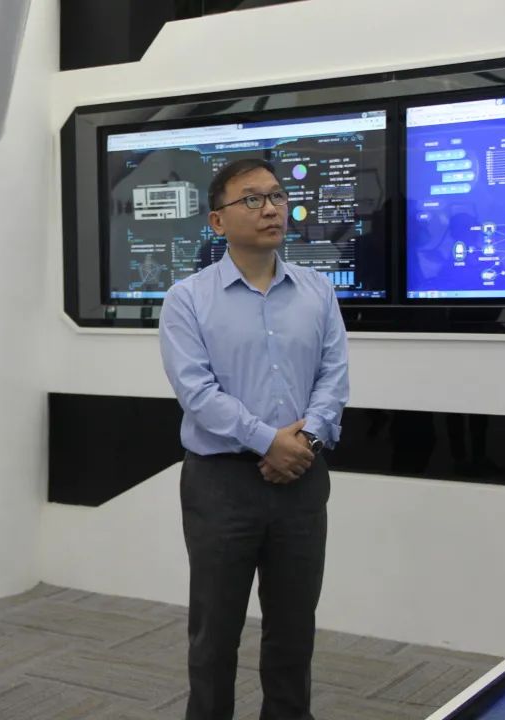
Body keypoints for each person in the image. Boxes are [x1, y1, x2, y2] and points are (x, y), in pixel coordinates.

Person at [159, 158, 349, 720]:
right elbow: (197, 392)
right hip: (221, 485)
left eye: (277, 196)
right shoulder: (188, 298)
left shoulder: (318, 291)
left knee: (293, 630)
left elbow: (333, 378)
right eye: (251, 199)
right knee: (214, 633)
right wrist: (269, 441)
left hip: (302, 478)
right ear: (217, 221)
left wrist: (305, 441)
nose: (270, 208)